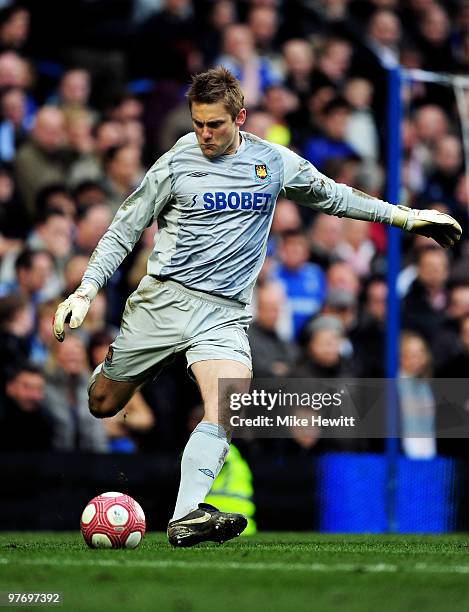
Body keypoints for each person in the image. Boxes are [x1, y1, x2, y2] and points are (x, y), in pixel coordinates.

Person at [52, 67, 462, 548]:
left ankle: (185, 515)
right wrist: (85, 291)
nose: (204, 134)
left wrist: (408, 218)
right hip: (162, 302)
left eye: (215, 125)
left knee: (228, 401)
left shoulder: (272, 163)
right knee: (102, 404)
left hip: (223, 312)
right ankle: (122, 370)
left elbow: (335, 197)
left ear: (240, 118)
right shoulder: (174, 163)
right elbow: (124, 228)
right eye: (198, 123)